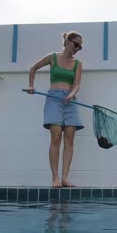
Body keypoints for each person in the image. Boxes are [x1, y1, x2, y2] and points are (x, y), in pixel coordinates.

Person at [26, 31, 84, 188]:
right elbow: (33, 68)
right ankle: (55, 178)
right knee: (56, 136)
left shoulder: (78, 64)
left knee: (70, 138)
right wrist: (31, 86)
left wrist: (71, 94)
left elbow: (77, 85)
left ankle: (65, 177)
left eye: (80, 46)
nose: (78, 48)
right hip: (54, 98)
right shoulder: (53, 57)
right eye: (76, 44)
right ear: (67, 41)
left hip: (70, 100)